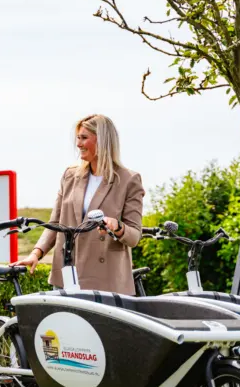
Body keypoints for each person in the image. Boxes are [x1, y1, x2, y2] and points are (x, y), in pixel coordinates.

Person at [12, 114, 145, 294]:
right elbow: (55, 223)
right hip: (67, 274)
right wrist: (36, 253)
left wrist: (118, 226)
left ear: (103, 141)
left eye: (84, 138)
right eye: (78, 138)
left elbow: (134, 236)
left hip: (106, 280)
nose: (79, 144)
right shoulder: (70, 175)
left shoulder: (129, 180)